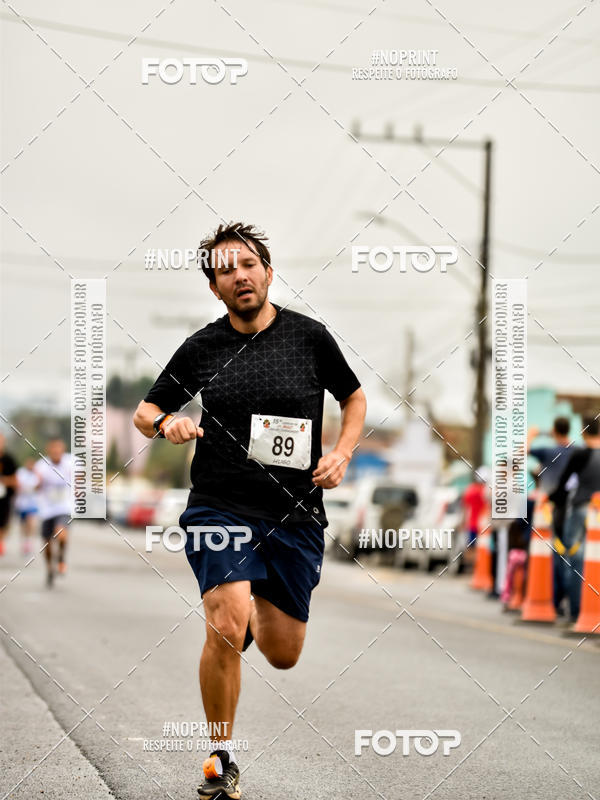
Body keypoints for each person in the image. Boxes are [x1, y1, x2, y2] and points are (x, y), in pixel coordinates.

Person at [134, 222, 366, 799]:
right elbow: (145, 411)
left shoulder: (309, 338)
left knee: (283, 653)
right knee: (226, 616)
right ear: (215, 288)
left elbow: (354, 397)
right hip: (221, 504)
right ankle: (220, 755)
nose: (239, 275)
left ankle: (248, 612)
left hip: (294, 514)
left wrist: (341, 452)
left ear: (267, 270)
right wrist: (169, 423)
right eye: (225, 270)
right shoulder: (203, 348)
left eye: (248, 264)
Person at [549, 416, 600, 623]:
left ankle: (577, 610)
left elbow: (562, 485)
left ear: (583, 431)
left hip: (581, 509)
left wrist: (551, 499)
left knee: (575, 559)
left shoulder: (580, 454)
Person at [528, 417, 576, 614]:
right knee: (569, 553)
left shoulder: (548, 451)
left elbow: (523, 450)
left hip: (551, 509)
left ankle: (557, 599)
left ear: (555, 430)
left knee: (557, 554)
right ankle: (569, 600)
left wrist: (533, 434)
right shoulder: (576, 450)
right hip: (571, 506)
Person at [34, 439, 72, 587]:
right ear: (49, 451)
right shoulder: (41, 466)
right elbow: (35, 487)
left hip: (64, 507)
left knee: (61, 534)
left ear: (63, 450)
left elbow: (81, 479)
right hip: (47, 509)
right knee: (47, 544)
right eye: (54, 450)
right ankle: (50, 568)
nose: (57, 453)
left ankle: (61, 557)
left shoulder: (71, 462)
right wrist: (39, 483)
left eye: (59, 450)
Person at [15, 457, 39, 555]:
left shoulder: (37, 474)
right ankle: (24, 541)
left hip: (33, 503)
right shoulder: (20, 472)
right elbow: (17, 484)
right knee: (23, 525)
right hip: (21, 503)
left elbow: (39, 486)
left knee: (31, 522)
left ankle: (29, 541)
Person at [0, 432, 18, 556]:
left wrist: (5, 480)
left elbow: (15, 481)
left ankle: (1, 542)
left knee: (3, 524)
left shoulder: (9, 460)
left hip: (4, 498)